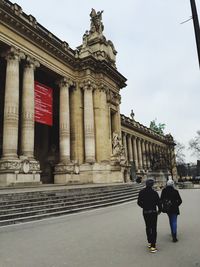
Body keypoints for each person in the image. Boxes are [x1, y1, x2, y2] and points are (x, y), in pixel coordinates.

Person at [137, 178, 162, 253]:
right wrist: (160, 210)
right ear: (152, 185)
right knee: (153, 228)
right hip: (153, 212)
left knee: (148, 227)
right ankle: (153, 246)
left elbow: (139, 202)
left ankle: (150, 241)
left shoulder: (142, 192)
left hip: (145, 212)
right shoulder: (154, 193)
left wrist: (144, 206)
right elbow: (159, 203)